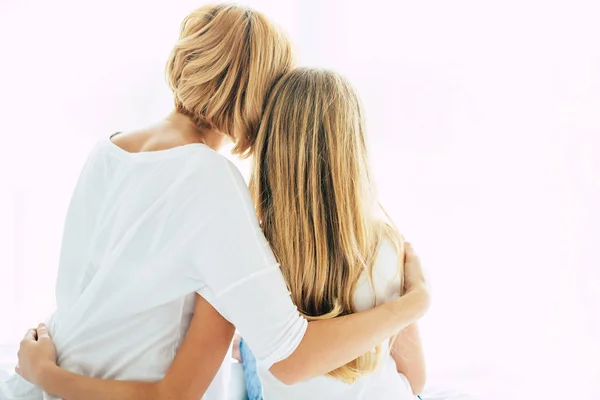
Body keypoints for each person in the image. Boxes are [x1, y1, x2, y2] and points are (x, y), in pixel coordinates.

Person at [6, 4, 430, 400]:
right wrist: (413, 304)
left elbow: (110, 309)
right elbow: (289, 357)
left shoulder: (107, 151)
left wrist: (43, 374)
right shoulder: (209, 180)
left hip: (37, 377)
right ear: (260, 94)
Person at [243, 67, 427, 399]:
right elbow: (414, 378)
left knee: (246, 353)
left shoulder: (253, 250)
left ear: (270, 148)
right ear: (354, 152)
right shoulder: (386, 244)